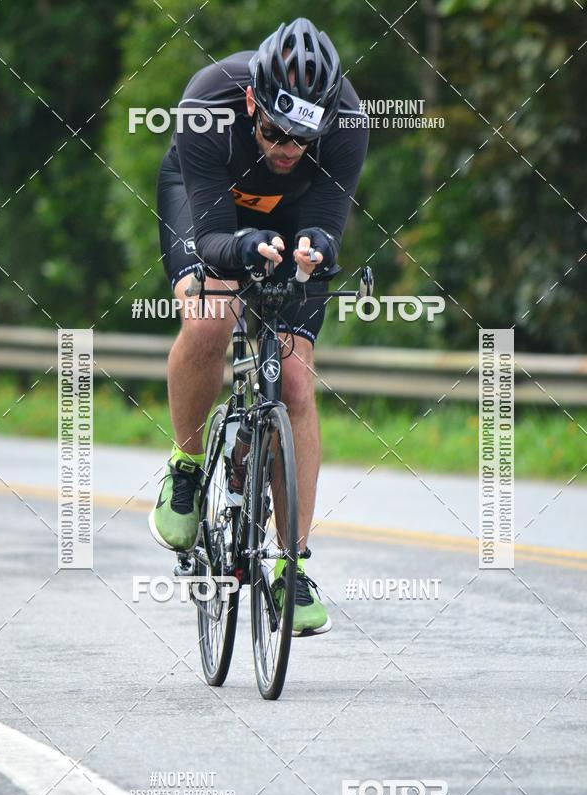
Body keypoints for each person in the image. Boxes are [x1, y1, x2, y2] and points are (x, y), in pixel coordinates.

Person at [150, 17, 369, 636]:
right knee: (211, 315)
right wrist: (242, 247)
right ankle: (187, 466)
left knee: (296, 381)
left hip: (291, 212)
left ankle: (290, 565)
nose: (286, 148)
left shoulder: (348, 121)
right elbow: (215, 230)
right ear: (252, 101)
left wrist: (315, 251)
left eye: (303, 137)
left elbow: (327, 223)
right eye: (274, 131)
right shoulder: (208, 99)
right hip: (209, 203)